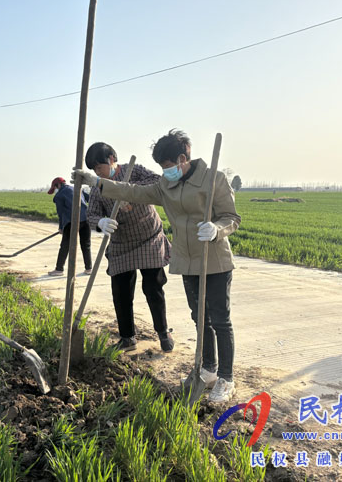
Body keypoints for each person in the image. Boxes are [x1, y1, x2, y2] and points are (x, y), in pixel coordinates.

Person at [73, 130, 241, 403]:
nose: (164, 171)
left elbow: (232, 217)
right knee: (200, 318)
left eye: (166, 166)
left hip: (215, 258)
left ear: (182, 158)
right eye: (161, 167)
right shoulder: (166, 186)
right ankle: (208, 369)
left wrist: (217, 229)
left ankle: (226, 377)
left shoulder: (214, 180)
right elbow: (134, 192)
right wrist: (97, 182)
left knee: (220, 320)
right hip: (187, 260)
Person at [84, 142, 174, 353]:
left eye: (100, 166)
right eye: (94, 169)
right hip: (122, 242)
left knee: (153, 287)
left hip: (148, 236)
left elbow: (157, 182)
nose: (98, 171)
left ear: (112, 159)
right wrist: (101, 222)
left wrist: (130, 192)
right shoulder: (98, 187)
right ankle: (127, 337)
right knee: (121, 291)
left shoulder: (134, 171)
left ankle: (163, 332)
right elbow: (91, 215)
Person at [47, 177, 92, 276]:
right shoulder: (77, 189)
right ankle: (89, 268)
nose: (56, 190)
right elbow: (90, 199)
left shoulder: (59, 196)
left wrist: (61, 227)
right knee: (86, 245)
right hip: (86, 219)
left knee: (65, 246)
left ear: (58, 185)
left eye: (55, 188)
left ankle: (59, 269)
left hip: (72, 222)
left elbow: (61, 213)